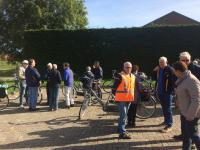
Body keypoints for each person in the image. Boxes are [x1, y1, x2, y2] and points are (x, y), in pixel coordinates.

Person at [173, 61, 200, 150]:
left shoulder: (191, 80)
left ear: (178, 71)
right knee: (186, 136)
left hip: (191, 115)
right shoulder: (182, 79)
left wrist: (190, 116)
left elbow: (196, 100)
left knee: (194, 135)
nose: (174, 72)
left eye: (174, 70)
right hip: (184, 112)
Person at [112, 62, 136, 139]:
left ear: (131, 68)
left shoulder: (133, 76)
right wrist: (115, 96)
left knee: (124, 115)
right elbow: (114, 88)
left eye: (129, 67)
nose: (128, 69)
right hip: (121, 99)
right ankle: (122, 132)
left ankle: (120, 129)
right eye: (126, 67)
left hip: (129, 99)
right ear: (123, 67)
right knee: (123, 116)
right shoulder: (119, 76)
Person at [153, 56, 175, 133]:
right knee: (164, 107)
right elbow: (157, 79)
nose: (161, 63)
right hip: (160, 92)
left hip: (167, 93)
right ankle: (166, 121)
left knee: (168, 108)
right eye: (160, 62)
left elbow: (173, 81)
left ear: (166, 62)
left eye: (162, 62)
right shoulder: (160, 69)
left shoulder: (170, 69)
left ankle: (169, 124)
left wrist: (171, 91)